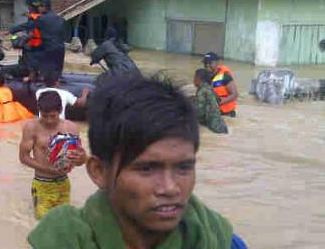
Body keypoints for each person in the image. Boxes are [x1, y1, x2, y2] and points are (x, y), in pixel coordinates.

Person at [27, 74, 248, 249]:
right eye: (147, 169)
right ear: (99, 172)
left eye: (184, 167)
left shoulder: (220, 240)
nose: (170, 188)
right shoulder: (61, 240)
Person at [19, 91, 88, 219]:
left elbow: (81, 160)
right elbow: (23, 157)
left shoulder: (71, 128)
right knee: (43, 225)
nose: (49, 120)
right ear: (39, 111)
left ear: (60, 110)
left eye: (53, 116)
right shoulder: (31, 127)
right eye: (44, 116)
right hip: (42, 184)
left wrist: (82, 158)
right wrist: (48, 169)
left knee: (65, 221)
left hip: (63, 183)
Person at [8, 0, 42, 79]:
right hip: (42, 44)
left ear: (31, 6)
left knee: (29, 60)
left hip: (34, 44)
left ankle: (30, 76)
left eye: (28, 6)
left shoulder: (33, 17)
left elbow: (30, 31)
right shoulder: (42, 16)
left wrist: (22, 41)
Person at [203, 52, 238, 117]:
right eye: (205, 63)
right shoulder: (205, 76)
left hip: (227, 113)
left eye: (210, 63)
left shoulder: (225, 76)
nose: (207, 65)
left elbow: (234, 94)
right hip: (213, 112)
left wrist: (219, 102)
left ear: (216, 63)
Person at [194, 69, 228, 134]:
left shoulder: (202, 91)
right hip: (221, 125)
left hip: (214, 127)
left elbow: (199, 112)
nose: (193, 80)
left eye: (194, 78)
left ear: (198, 79)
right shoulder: (209, 88)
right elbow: (218, 101)